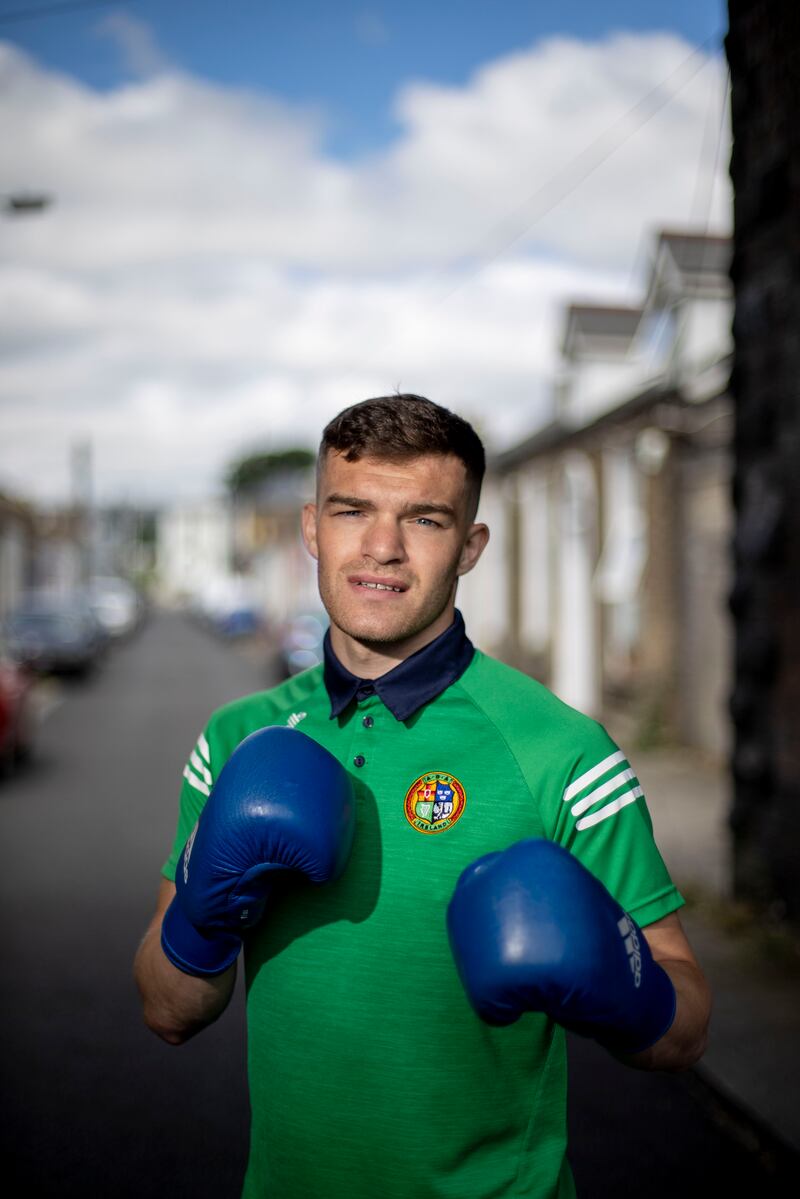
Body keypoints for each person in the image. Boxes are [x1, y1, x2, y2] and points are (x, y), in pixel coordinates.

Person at [134, 393, 711, 1199]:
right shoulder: (236, 739)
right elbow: (169, 1010)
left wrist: (624, 985)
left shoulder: (563, 753)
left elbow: (685, 1023)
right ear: (310, 527)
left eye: (425, 519)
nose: (381, 548)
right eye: (352, 510)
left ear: (470, 545)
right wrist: (201, 912)